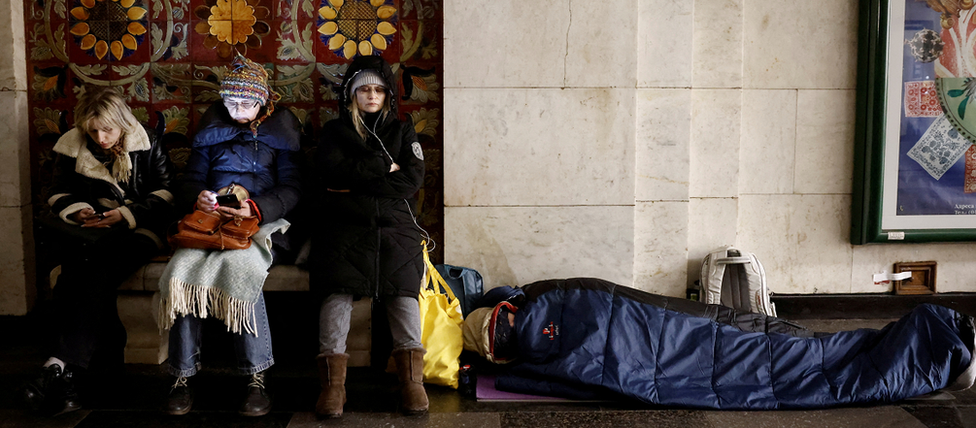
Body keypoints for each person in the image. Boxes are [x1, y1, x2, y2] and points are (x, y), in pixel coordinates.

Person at [463, 278, 976, 409]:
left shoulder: (541, 359)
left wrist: (488, 379)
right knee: (819, 351)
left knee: (819, 371)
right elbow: (622, 295)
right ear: (506, 310)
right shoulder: (556, 294)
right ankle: (940, 340)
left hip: (696, 369)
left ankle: (939, 343)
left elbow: (578, 389)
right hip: (700, 330)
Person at [158, 55, 302, 417]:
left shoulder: (280, 131)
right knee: (181, 273)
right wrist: (200, 197)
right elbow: (191, 177)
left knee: (242, 268)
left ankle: (256, 378)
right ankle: (182, 376)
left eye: (246, 103)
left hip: (262, 221)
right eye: (230, 103)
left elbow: (293, 188)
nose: (237, 110)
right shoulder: (212, 130)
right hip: (212, 222)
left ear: (263, 101)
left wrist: (254, 207)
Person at [22, 87, 175, 416]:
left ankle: (59, 366)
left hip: (140, 229)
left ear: (122, 123)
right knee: (83, 276)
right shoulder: (72, 144)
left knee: (81, 276)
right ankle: (73, 377)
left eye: (108, 129)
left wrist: (126, 214)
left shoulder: (145, 141)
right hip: (91, 232)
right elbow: (56, 189)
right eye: (93, 130)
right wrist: (78, 211)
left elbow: (165, 194)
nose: (101, 138)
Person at [311, 54, 428, 417]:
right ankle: (333, 386)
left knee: (403, 289)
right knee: (337, 289)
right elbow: (332, 175)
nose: (372, 95)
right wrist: (381, 165)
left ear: (388, 95)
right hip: (345, 224)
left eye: (378, 89)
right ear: (352, 94)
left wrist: (357, 181)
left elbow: (411, 180)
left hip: (395, 225)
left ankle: (412, 382)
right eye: (364, 89)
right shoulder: (334, 131)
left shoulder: (403, 130)